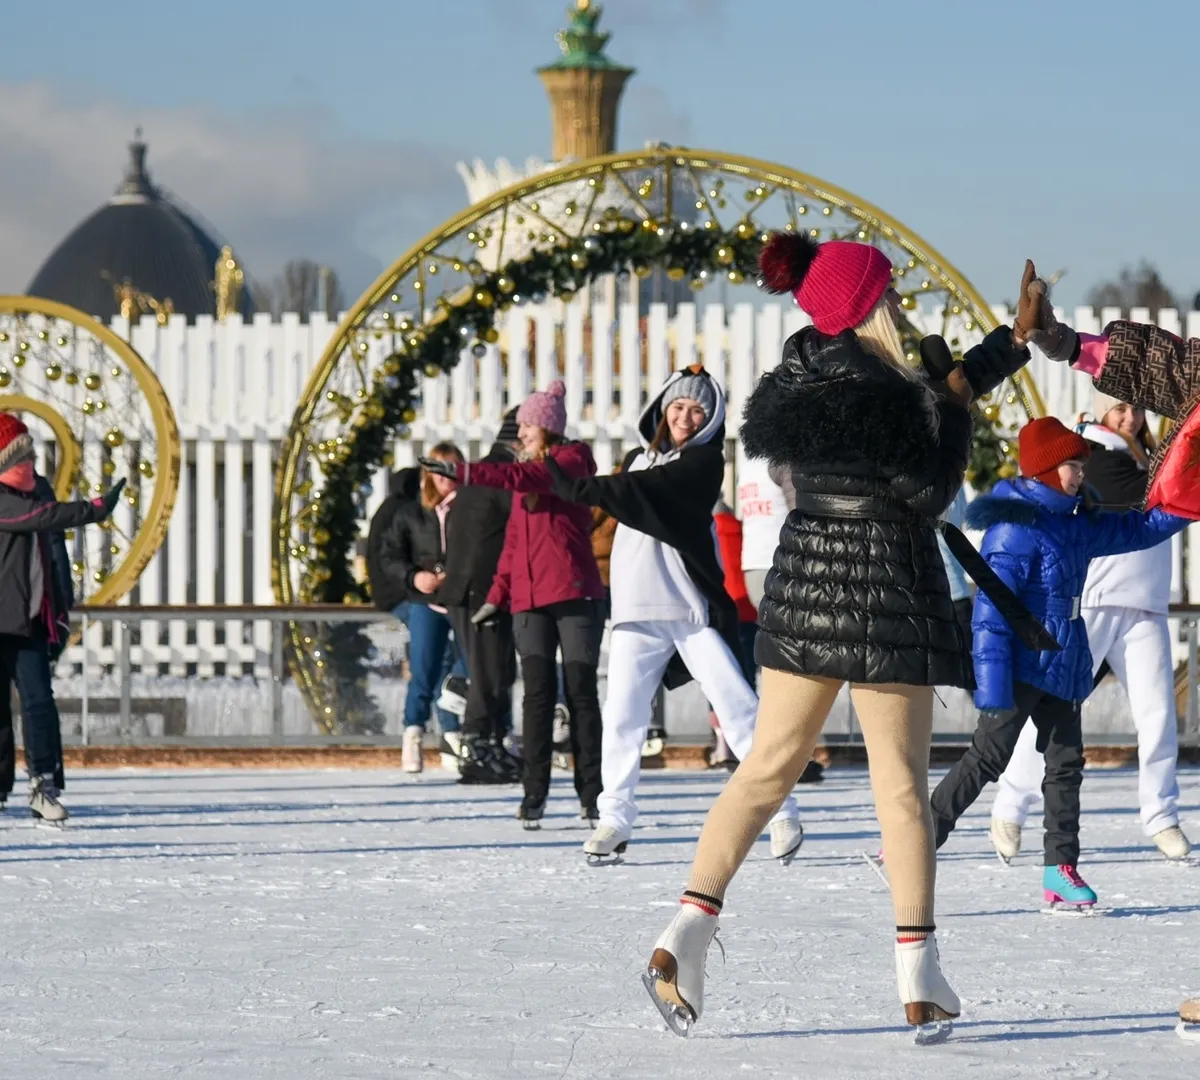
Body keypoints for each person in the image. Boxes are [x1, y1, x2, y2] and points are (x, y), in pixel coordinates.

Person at [636, 238, 1039, 1040]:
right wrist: (955, 413)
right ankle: (920, 977)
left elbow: (938, 387)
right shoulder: (890, 391)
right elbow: (928, 485)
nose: (899, 305)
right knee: (899, 790)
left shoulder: (799, 376)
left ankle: (684, 933)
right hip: (888, 592)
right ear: (866, 306)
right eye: (888, 295)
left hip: (807, 595)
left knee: (763, 773)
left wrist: (1011, 344)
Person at [540, 363, 803, 867]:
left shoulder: (701, 465)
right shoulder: (638, 461)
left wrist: (585, 487)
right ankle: (613, 819)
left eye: (697, 409)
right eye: (679, 405)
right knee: (622, 717)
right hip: (636, 612)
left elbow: (649, 494)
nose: (685, 415)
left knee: (740, 710)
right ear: (663, 407)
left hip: (688, 610)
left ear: (710, 419)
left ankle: (781, 810)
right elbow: (623, 498)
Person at [930, 417, 1188, 911]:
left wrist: (1186, 507)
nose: (1080, 475)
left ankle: (1059, 869)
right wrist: (992, 683)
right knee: (987, 757)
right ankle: (917, 843)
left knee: (1066, 765)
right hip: (1023, 661)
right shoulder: (1015, 527)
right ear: (1048, 468)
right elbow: (991, 613)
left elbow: (1138, 527)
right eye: (1073, 465)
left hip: (1065, 657)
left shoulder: (1077, 521)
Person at [990, 397, 1191, 863]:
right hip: (1095, 601)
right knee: (1051, 706)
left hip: (1146, 605)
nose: (1130, 417)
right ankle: (1011, 804)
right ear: (1101, 411)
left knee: (1157, 713)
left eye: (1138, 409)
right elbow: (1153, 489)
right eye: (1120, 408)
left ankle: (1161, 813)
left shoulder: (1145, 452)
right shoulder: (1093, 450)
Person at [423, 381, 606, 826]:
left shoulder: (571, 461)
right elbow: (512, 547)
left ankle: (592, 794)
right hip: (528, 601)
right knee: (537, 697)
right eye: (520, 424)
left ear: (549, 428)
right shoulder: (527, 477)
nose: (520, 433)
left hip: (574, 594)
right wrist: (495, 597)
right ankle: (534, 793)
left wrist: (465, 473)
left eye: (528, 425)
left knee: (581, 693)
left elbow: (527, 475)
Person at [0, 413, 125, 824]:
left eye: (30, 455)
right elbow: (39, 519)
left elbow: (54, 549)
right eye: (19, 457)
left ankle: (44, 783)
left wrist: (61, 611)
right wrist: (95, 509)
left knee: (39, 703)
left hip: (32, 620)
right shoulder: (7, 502)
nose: (29, 464)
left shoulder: (41, 491)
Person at [437, 409, 522, 785]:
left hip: (469, 589)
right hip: (481, 591)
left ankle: (489, 743)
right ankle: (476, 747)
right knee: (489, 672)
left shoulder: (482, 477)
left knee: (493, 669)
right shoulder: (505, 478)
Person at [375, 442, 466, 773]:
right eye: (440, 469)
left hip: (460, 600)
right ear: (429, 475)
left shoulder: (467, 509)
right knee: (425, 670)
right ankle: (413, 734)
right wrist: (415, 577)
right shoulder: (411, 513)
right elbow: (389, 555)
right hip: (425, 601)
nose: (447, 477)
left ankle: (455, 736)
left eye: (453, 468)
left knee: (462, 670)